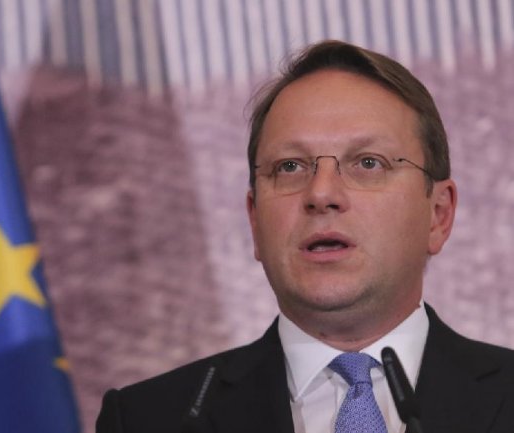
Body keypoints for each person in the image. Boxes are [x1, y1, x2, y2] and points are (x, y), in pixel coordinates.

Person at [95, 40, 514, 433]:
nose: (321, 194)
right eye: (290, 167)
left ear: (438, 216)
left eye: (368, 162)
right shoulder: (147, 419)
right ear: (255, 220)